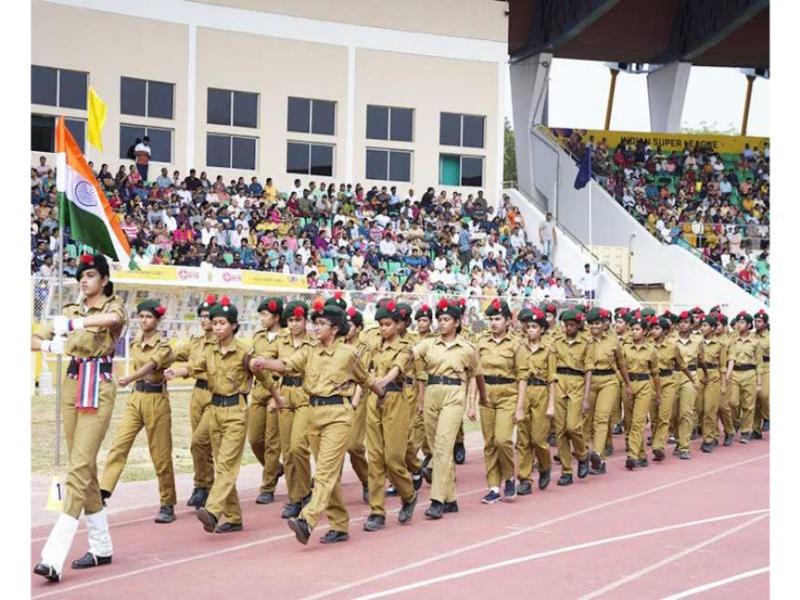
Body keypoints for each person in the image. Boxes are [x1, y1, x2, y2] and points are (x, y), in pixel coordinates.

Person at [249, 301, 386, 545]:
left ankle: (307, 519)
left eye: (322, 324)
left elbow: (366, 379)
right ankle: (339, 524)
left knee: (324, 471)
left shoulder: (348, 354)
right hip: (313, 413)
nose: (316, 328)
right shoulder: (309, 350)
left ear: (334, 329)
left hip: (338, 415)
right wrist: (264, 363)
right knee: (327, 472)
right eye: (316, 323)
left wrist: (382, 394)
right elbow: (287, 364)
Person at [32, 254, 127, 582]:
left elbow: (111, 322)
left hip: (97, 385)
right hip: (72, 382)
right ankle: (101, 546)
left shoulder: (113, 306)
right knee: (82, 465)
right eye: (80, 276)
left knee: (78, 466)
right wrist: (51, 347)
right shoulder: (70, 308)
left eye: (90, 275)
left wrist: (73, 325)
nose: (83, 281)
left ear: (103, 279)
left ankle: (54, 554)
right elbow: (31, 337)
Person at [169, 297, 266, 533]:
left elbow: (264, 377)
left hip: (236, 410)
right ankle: (233, 517)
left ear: (233, 325)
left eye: (222, 323)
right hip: (215, 408)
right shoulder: (209, 349)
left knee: (226, 464)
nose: (218, 327)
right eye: (215, 323)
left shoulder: (244, 351)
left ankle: (212, 510)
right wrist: (178, 371)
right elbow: (195, 366)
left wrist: (276, 396)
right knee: (209, 451)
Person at [100, 299, 176, 523]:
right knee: (119, 445)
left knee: (160, 455)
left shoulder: (163, 345)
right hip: (136, 398)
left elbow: (151, 366)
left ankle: (167, 503)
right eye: (141, 316)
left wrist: (130, 378)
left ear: (157, 320)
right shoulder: (135, 341)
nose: (144, 320)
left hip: (155, 399)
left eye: (149, 317)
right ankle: (103, 491)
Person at [413, 298, 487, 519]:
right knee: (436, 448)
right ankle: (451, 498)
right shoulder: (428, 344)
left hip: (454, 394)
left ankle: (436, 500)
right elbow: (410, 354)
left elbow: (477, 373)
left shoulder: (467, 348)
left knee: (444, 446)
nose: (441, 323)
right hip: (432, 392)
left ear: (456, 322)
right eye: (440, 319)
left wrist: (482, 397)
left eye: (446, 320)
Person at [362, 300, 419, 532]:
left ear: (398, 325)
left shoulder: (405, 348)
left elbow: (397, 368)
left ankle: (408, 494)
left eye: (387, 324)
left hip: (396, 400)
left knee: (393, 459)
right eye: (380, 325)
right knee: (374, 459)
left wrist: (382, 381)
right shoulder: (373, 345)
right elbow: (361, 366)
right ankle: (377, 511)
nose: (383, 329)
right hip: (374, 402)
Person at [167, 295, 217, 508]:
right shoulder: (196, 342)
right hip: (198, 393)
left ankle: (211, 486)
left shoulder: (220, 343)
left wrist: (180, 371)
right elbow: (174, 353)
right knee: (199, 444)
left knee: (201, 441)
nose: (204, 320)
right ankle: (203, 486)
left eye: (208, 316)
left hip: (216, 395)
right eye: (202, 316)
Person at [476, 299, 525, 503]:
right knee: (489, 443)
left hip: (508, 394)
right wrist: (473, 400)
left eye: (498, 319)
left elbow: (522, 377)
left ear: (507, 320)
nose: (493, 323)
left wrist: (520, 407)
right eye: (491, 319)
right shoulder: (481, 342)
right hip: (487, 394)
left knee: (502, 439)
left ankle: (509, 476)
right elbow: (475, 374)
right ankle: (494, 487)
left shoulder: (516, 345)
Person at [250, 298, 293, 506]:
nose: (261, 319)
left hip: (276, 390)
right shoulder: (258, 337)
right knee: (255, 439)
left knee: (272, 442)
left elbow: (286, 366)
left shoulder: (286, 338)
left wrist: (278, 397)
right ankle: (275, 469)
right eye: (260, 315)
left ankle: (267, 487)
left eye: (265, 315)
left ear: (276, 317)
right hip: (258, 391)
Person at [550, 309, 595, 484]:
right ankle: (566, 470)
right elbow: (552, 369)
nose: (567, 328)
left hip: (577, 384)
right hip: (560, 384)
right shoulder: (556, 342)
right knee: (560, 430)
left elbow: (589, 370)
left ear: (578, 325)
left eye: (571, 325)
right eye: (565, 325)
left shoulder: (586, 343)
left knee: (573, 427)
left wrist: (585, 397)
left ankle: (582, 455)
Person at [584, 307, 630, 475]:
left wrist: (628, 384)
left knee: (601, 419)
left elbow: (621, 364)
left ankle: (597, 453)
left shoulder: (613, 341)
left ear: (604, 324)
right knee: (586, 422)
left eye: (597, 323)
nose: (594, 327)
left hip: (609, 381)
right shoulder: (584, 340)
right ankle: (594, 458)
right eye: (591, 324)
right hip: (589, 381)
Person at [514, 307, 555, 493]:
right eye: (529, 326)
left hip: (541, 392)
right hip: (523, 391)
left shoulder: (549, 350)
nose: (531, 330)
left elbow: (552, 379)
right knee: (523, 438)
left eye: (535, 327)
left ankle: (545, 466)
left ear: (542, 330)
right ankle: (524, 478)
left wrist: (552, 404)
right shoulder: (520, 348)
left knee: (538, 439)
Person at [650, 316, 698, 461]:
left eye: (657, 328)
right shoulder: (647, 345)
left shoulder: (676, 345)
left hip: (675, 379)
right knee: (662, 416)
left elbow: (683, 365)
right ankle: (672, 440)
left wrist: (693, 380)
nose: (653, 331)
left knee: (683, 413)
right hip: (652, 381)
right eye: (652, 328)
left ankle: (681, 446)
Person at [620, 314, 661, 470]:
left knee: (638, 422)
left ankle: (632, 455)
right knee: (629, 422)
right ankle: (642, 454)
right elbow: (620, 367)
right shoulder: (624, 347)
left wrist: (658, 394)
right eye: (632, 329)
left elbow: (655, 374)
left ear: (645, 331)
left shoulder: (651, 350)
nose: (634, 332)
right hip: (628, 384)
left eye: (637, 329)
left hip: (644, 385)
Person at [727, 312, 764, 443]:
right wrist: (728, 375)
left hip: (750, 373)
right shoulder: (732, 339)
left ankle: (745, 431)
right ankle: (736, 421)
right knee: (732, 402)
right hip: (735, 373)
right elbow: (730, 357)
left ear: (749, 325)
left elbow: (759, 363)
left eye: (742, 322)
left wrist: (759, 383)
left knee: (749, 405)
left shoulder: (755, 342)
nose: (739, 325)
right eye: (738, 322)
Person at [699, 314, 728, 452]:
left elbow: (722, 366)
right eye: (702, 325)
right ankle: (710, 434)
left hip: (713, 377)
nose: (702, 328)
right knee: (699, 409)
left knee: (709, 409)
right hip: (699, 376)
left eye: (705, 325)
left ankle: (709, 438)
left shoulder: (720, 344)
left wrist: (723, 384)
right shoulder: (697, 342)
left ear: (712, 328)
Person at [752, 309, 770, 438]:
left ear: (765, 323)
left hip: (767, 366)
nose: (756, 323)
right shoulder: (752, 336)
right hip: (753, 367)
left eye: (759, 321)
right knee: (754, 399)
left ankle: (768, 417)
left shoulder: (771, 336)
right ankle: (756, 430)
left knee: (764, 395)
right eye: (755, 321)